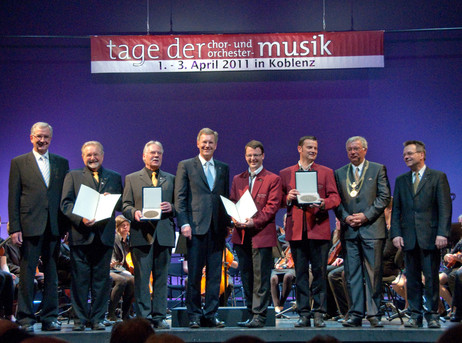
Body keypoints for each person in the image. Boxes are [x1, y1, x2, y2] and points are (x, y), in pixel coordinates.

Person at [8, 122, 69, 332]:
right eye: (38, 136)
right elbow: (13, 196)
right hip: (29, 226)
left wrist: (66, 226)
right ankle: (25, 319)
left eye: (46, 137)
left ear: (51, 139)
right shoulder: (18, 163)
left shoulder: (62, 163)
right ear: (31, 137)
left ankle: (50, 317)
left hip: (54, 226)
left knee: (52, 273)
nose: (42, 140)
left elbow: (64, 197)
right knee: (27, 274)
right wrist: (14, 226)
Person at [61, 141, 123, 331]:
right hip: (81, 236)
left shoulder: (114, 177)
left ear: (102, 156)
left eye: (96, 155)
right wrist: (81, 219)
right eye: (88, 155)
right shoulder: (73, 176)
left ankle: (97, 318)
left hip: (103, 237)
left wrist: (109, 199)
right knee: (80, 281)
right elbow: (65, 204)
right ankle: (80, 320)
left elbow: (120, 205)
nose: (92, 158)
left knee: (101, 281)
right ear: (83, 157)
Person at [280, 136, 340, 327]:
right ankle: (304, 314)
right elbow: (278, 199)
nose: (313, 151)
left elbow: (335, 197)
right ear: (299, 148)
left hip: (318, 229)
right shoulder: (286, 173)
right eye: (309, 147)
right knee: (301, 274)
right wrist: (287, 198)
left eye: (315, 148)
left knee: (320, 273)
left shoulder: (326, 172)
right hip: (297, 231)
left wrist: (324, 203)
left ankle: (320, 313)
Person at [391, 140, 452, 328]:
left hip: (431, 236)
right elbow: (397, 211)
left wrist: (442, 233)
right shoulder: (401, 180)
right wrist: (396, 233)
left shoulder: (437, 177)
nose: (406, 157)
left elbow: (444, 207)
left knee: (432, 277)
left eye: (410, 153)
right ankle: (415, 315)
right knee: (412, 278)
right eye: (404, 155)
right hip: (409, 238)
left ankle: (432, 314)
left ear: (422, 155)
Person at [174, 128, 229, 328]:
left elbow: (224, 198)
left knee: (215, 276)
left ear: (216, 145)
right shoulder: (186, 165)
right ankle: (195, 315)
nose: (207, 145)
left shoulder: (223, 168)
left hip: (217, 229)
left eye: (211, 142)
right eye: (204, 142)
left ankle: (211, 314)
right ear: (198, 143)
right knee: (195, 275)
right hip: (195, 228)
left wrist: (228, 223)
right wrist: (184, 223)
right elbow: (180, 198)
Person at [335, 136, 391, 328]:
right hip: (349, 230)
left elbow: (384, 197)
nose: (353, 152)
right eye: (350, 149)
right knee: (352, 275)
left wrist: (365, 216)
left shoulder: (377, 169)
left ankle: (374, 313)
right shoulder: (339, 173)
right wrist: (345, 217)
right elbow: (337, 201)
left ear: (365, 150)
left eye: (357, 149)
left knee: (373, 273)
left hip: (372, 229)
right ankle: (356, 313)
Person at [122, 140, 176, 329]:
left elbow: (179, 205)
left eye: (159, 153)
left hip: (164, 235)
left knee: (162, 278)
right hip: (141, 234)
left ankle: (159, 316)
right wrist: (133, 213)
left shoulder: (171, 178)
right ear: (143, 156)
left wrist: (172, 207)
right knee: (142, 280)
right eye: (152, 153)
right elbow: (125, 205)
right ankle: (143, 318)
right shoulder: (132, 178)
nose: (156, 156)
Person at [230, 140, 282, 328]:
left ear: (263, 156)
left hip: (261, 235)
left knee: (261, 277)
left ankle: (260, 316)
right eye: (250, 155)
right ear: (245, 157)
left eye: (256, 155)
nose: (253, 158)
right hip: (241, 235)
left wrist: (254, 221)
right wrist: (233, 217)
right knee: (246, 276)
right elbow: (233, 201)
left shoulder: (273, 179)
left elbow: (272, 207)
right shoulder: (238, 179)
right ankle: (251, 313)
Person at [108, 215, 135, 322]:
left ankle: (126, 313)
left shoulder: (129, 240)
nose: (125, 227)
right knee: (121, 280)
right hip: (111, 269)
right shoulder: (114, 239)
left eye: (127, 225)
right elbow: (113, 261)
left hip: (122, 270)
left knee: (133, 280)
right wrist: (124, 271)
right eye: (123, 225)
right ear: (117, 227)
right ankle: (111, 313)